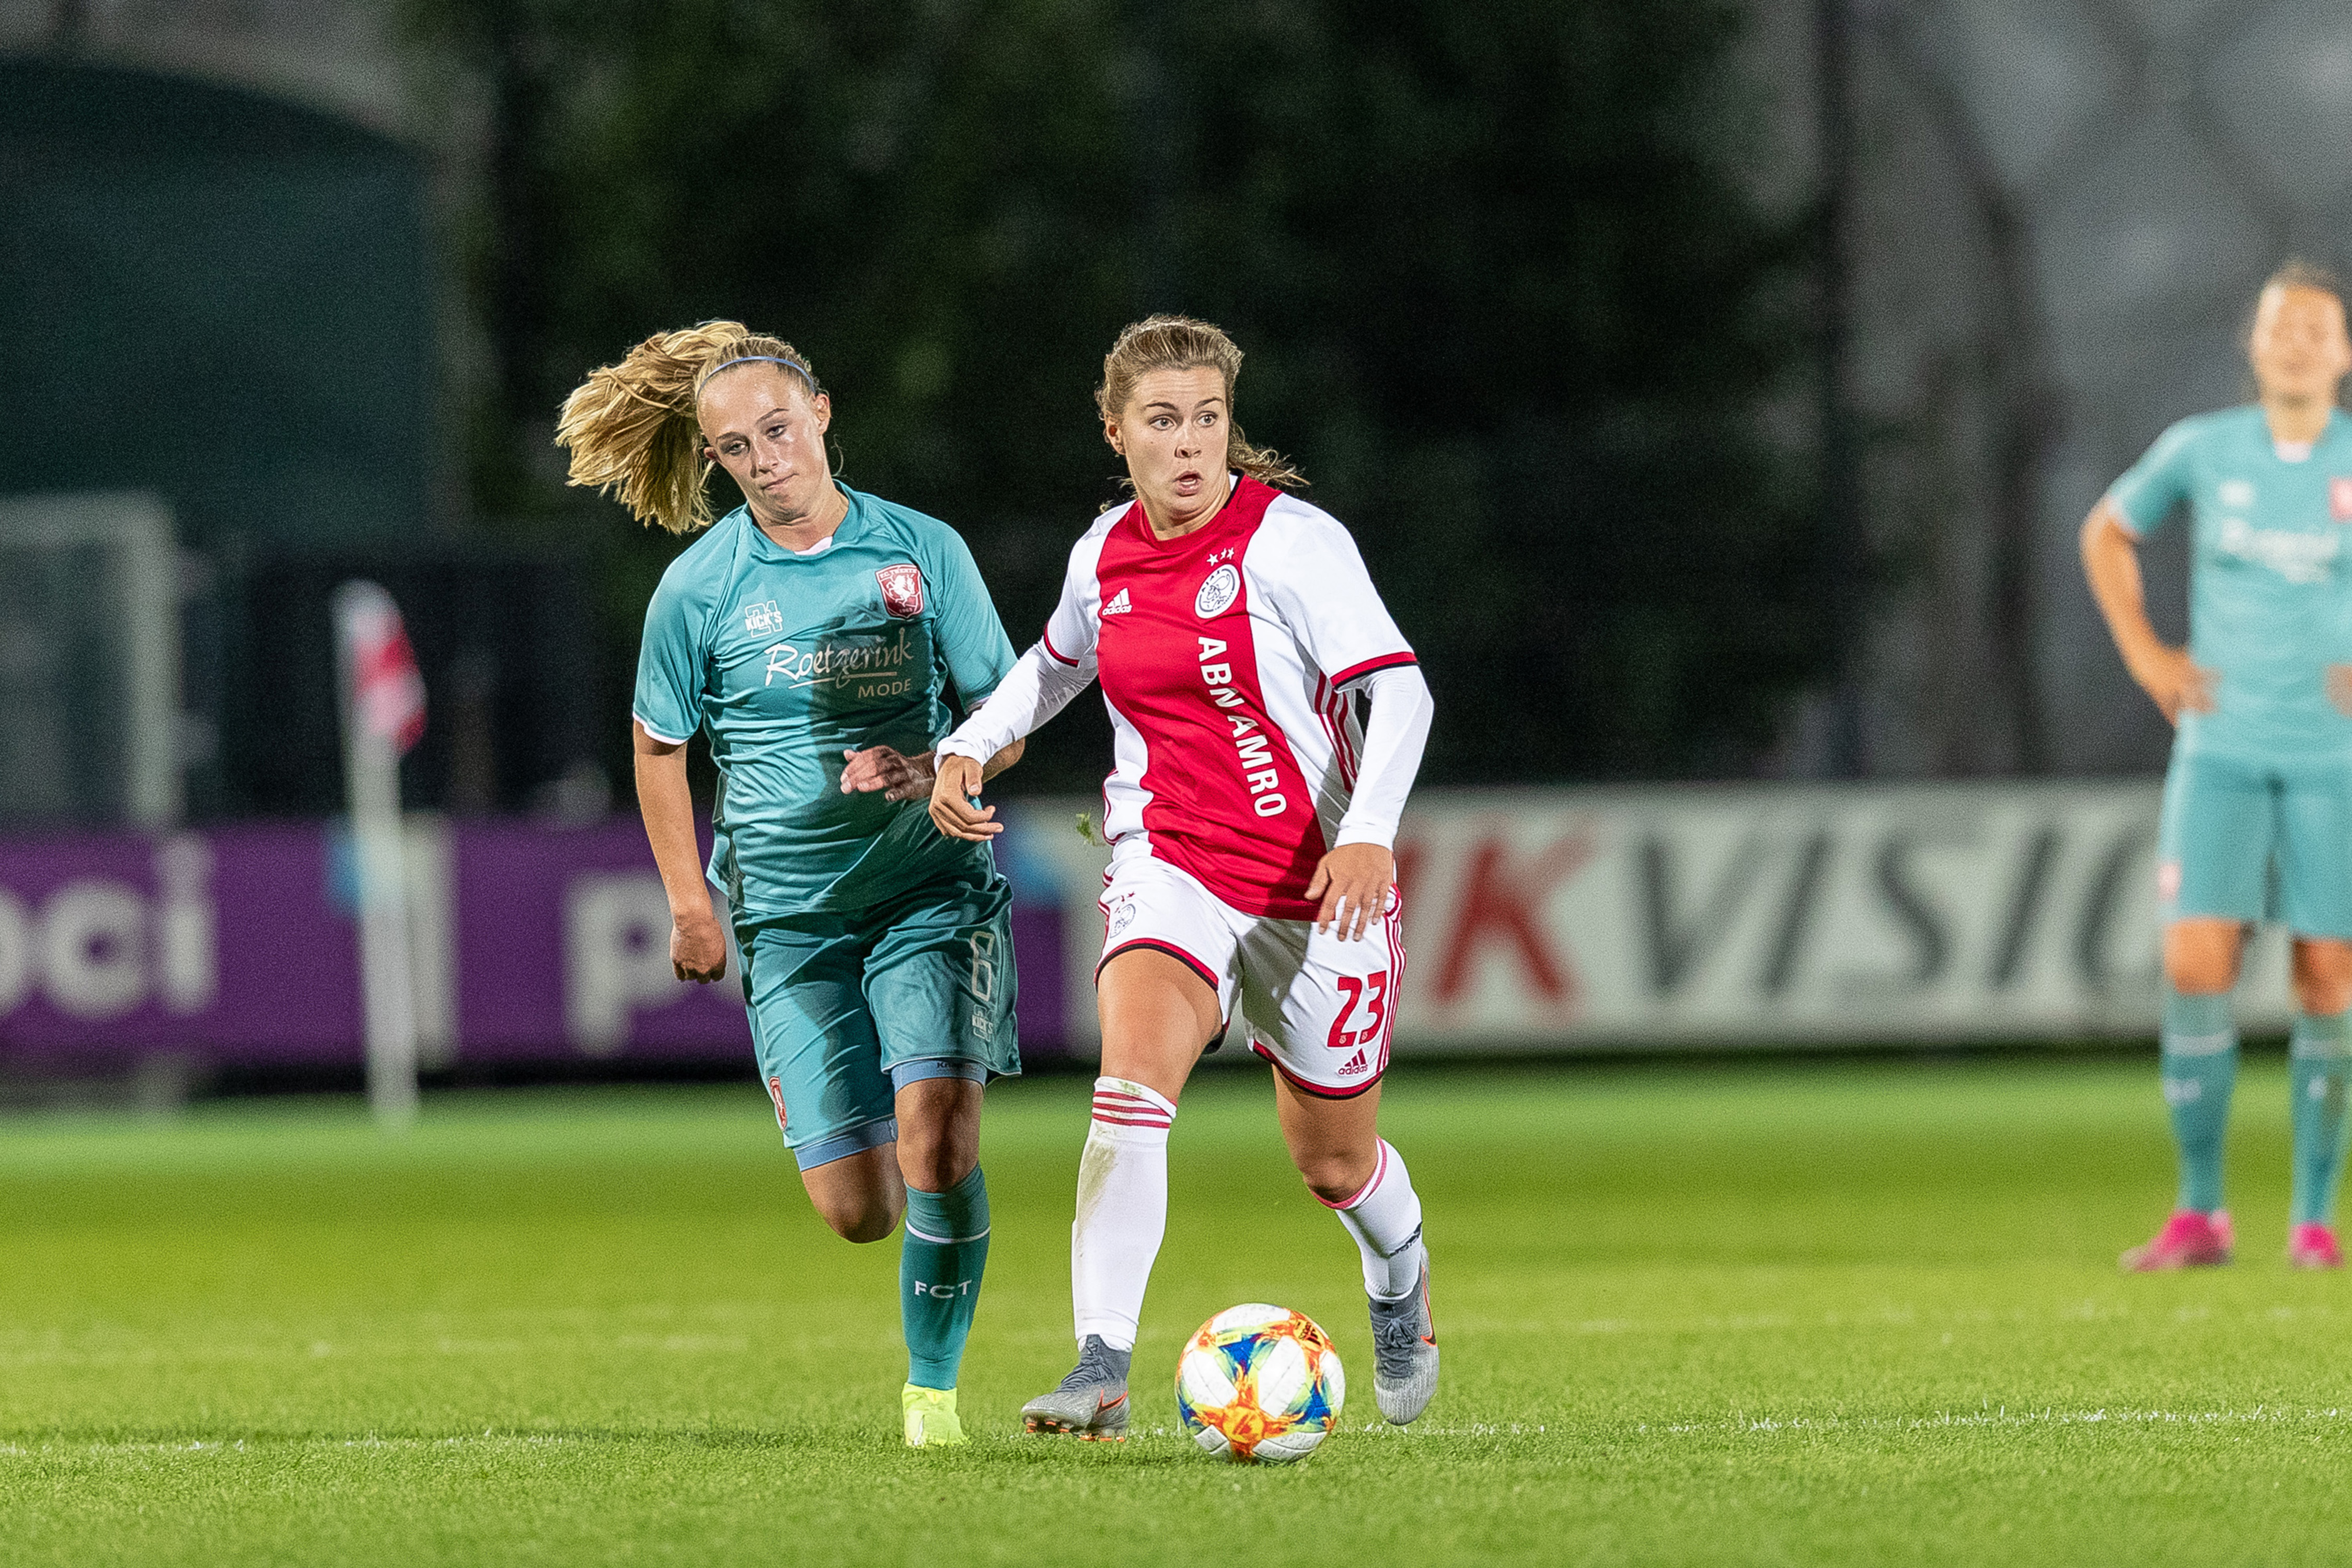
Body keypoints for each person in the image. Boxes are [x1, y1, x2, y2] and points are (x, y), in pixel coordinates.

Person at [927, 315, 1440, 1437]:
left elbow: (1402, 693)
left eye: (1208, 417)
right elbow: (1054, 669)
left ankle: (1400, 1281)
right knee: (1131, 1079)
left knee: (1335, 1160)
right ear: (1117, 433)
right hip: (1172, 861)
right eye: (1164, 422)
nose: (1192, 442)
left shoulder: (1294, 543)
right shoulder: (1103, 552)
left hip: (1317, 890)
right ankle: (1101, 1364)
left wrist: (1371, 833)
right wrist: (970, 743)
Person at [556, 322, 1028, 1444]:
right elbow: (659, 747)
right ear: (716, 461)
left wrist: (938, 766)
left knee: (942, 1141)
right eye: (735, 446)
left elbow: (1007, 706)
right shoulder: (698, 589)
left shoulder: (923, 551)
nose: (765, 457)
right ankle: (917, 1232)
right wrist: (688, 901)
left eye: (778, 428)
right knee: (859, 1211)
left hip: (928, 888)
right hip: (787, 913)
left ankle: (933, 1394)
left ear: (822, 417)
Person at [2083, 262, 2352, 1272]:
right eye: (2280, 325)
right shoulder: (2204, 449)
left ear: (2344, 354)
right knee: (2197, 965)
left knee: (2328, 975)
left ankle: (2315, 1220)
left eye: (2316, 328)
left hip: (2333, 760)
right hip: (2224, 750)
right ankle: (2201, 1212)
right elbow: (2106, 532)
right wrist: (2150, 656)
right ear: (2254, 344)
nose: (2295, 341)